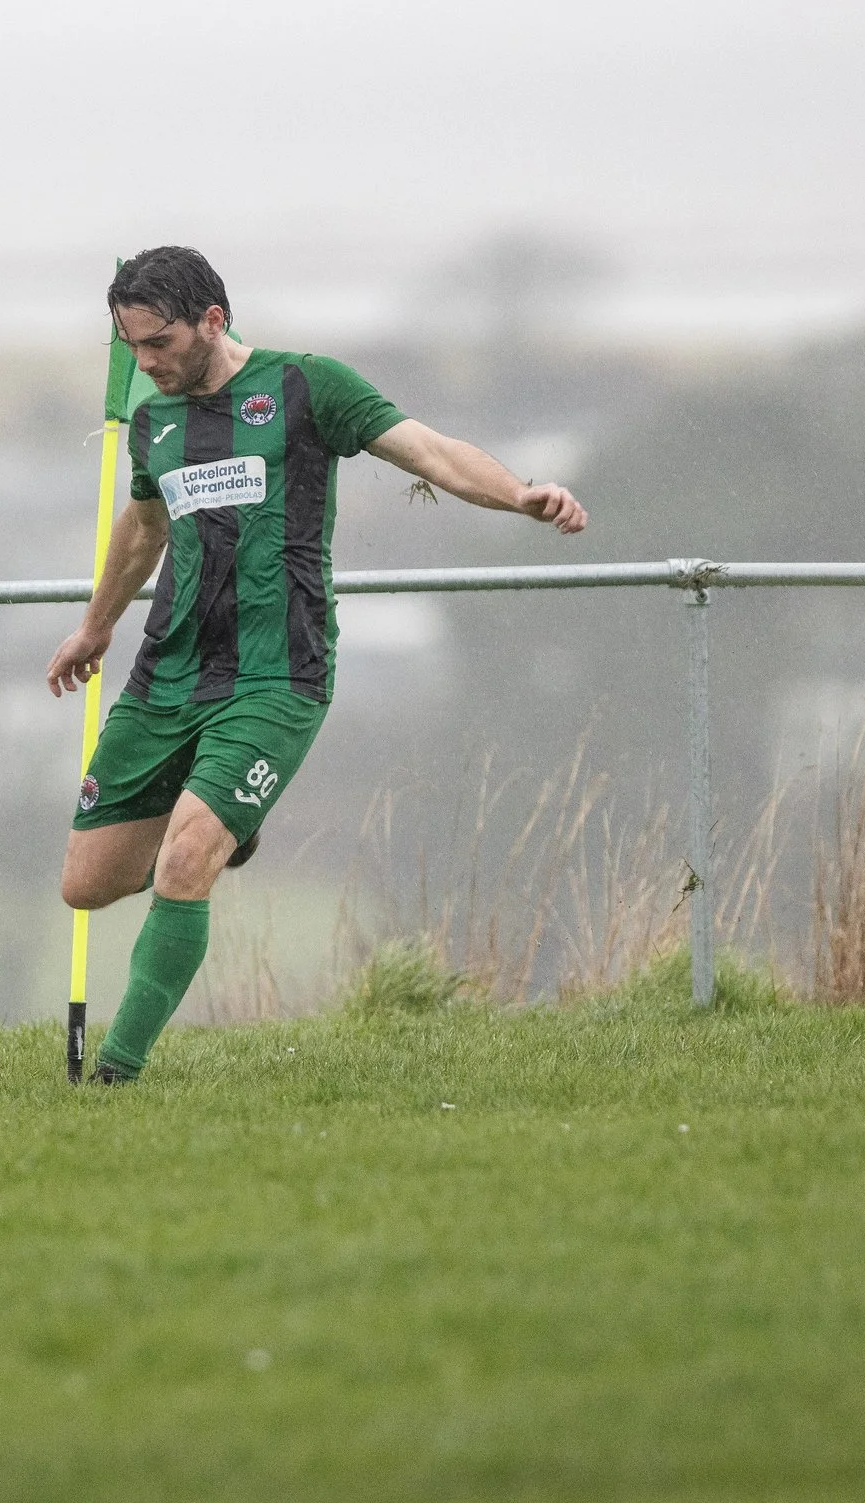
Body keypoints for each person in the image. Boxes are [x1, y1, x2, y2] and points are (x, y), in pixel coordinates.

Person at [46, 246, 588, 1083]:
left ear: (213, 321)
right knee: (86, 885)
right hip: (169, 673)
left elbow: (432, 452)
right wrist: (95, 627)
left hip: (278, 676)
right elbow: (145, 529)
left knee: (186, 861)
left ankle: (114, 1078)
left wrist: (518, 494)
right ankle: (232, 822)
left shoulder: (305, 386)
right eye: (131, 346)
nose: (143, 363)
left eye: (157, 344)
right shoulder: (155, 424)